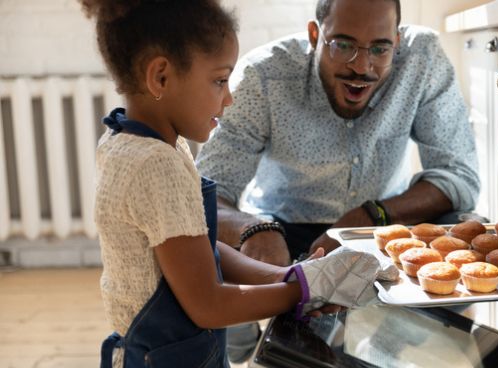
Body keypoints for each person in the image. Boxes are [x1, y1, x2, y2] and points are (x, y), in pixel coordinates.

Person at [83, 1, 382, 367]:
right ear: (161, 77)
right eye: (220, 80)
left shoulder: (131, 142)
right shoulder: (156, 164)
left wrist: (287, 275)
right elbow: (208, 305)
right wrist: (303, 291)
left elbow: (197, 248)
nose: (229, 97)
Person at [196, 0, 480, 362]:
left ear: (397, 40)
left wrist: (370, 215)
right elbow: (206, 193)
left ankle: (390, 346)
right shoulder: (263, 76)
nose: (361, 67)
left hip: (381, 224)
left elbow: (459, 176)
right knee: (203, 246)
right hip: (280, 226)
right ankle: (242, 332)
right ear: (315, 35)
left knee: (467, 226)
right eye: (342, 45)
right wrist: (257, 229)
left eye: (380, 48)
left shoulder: (422, 58)